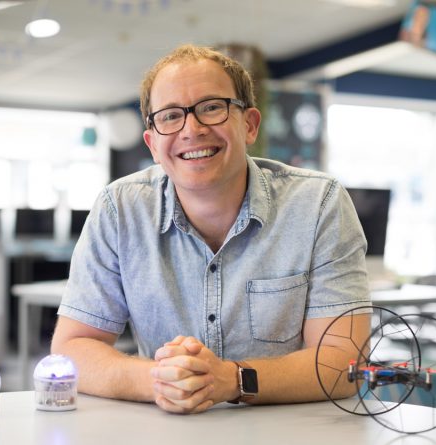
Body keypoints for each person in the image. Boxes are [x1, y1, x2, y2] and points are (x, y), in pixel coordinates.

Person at [51, 44, 371, 414]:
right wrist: (162, 380)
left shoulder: (318, 204)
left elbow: (345, 364)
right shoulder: (120, 209)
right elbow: (71, 349)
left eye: (212, 108)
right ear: (153, 144)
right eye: (171, 116)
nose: (192, 129)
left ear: (249, 125)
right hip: (166, 430)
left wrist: (233, 380)